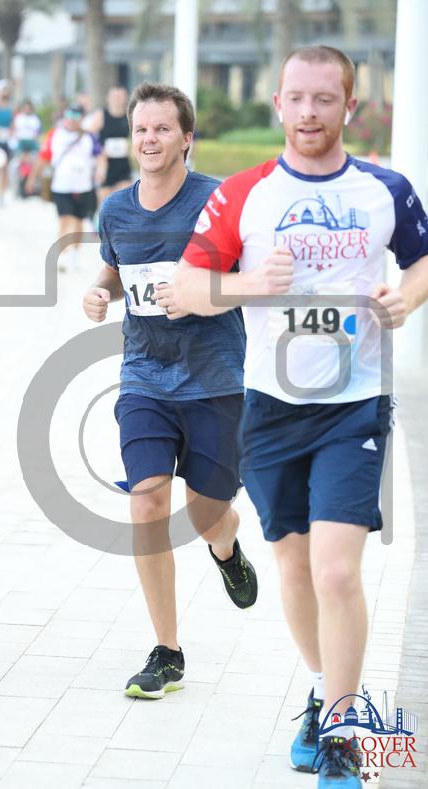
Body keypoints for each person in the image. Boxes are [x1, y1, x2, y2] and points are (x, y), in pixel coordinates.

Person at [169, 45, 428, 788]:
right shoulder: (244, 194)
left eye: (325, 98)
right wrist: (249, 284)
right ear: (278, 103)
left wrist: (408, 297)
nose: (309, 112)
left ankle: (343, 734)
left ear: (351, 106)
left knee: (336, 570)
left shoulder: (385, 190)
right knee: (293, 567)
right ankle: (321, 690)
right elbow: (184, 289)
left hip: (355, 406)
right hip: (270, 407)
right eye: (297, 98)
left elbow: (422, 259)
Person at [82, 82, 257, 700]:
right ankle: (167, 650)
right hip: (144, 377)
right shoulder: (115, 209)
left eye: (161, 129)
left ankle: (227, 549)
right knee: (148, 501)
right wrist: (98, 291)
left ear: (187, 137)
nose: (149, 139)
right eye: (141, 129)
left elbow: (255, 282)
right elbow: (115, 267)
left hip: (214, 379)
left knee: (207, 514)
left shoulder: (218, 201)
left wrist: (201, 297)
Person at [26, 105, 103, 271]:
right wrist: (32, 178)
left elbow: (100, 155)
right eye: (69, 114)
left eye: (76, 115)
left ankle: (74, 255)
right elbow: (43, 158)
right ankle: (64, 256)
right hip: (61, 186)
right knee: (65, 220)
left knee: (78, 222)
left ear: (81, 118)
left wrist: (101, 170)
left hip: (83, 186)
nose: (72, 119)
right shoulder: (55, 134)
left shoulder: (89, 137)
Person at [97, 86, 133, 201]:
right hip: (106, 164)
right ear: (108, 98)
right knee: (105, 201)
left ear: (126, 98)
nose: (117, 99)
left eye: (120, 96)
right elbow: (89, 136)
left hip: (123, 164)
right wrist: (99, 154)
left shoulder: (130, 116)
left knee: (124, 199)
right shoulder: (101, 115)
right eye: (115, 96)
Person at [12, 100, 42, 198]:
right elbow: (15, 132)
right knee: (18, 165)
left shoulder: (35, 119)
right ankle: (19, 188)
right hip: (21, 142)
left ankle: (33, 187)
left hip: (31, 142)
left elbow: (37, 134)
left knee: (36, 163)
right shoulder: (19, 118)